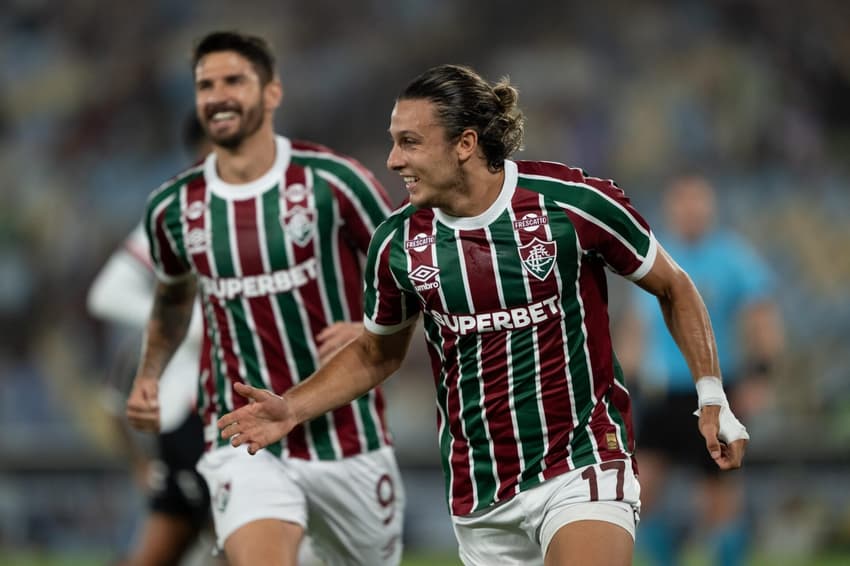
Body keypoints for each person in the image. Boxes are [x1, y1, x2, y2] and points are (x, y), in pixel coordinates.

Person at [217, 63, 751, 566]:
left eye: (410, 142)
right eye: (393, 142)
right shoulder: (398, 243)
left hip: (581, 458)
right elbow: (377, 352)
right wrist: (292, 409)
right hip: (480, 487)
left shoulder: (571, 203)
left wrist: (711, 395)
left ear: (465, 144)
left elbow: (673, 286)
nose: (393, 160)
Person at [125, 31, 404, 566]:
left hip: (347, 436)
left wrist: (373, 327)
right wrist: (149, 372)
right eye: (205, 85)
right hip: (242, 436)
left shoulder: (335, 182)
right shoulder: (172, 207)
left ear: (272, 92)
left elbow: (412, 272)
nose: (217, 96)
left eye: (234, 81)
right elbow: (173, 299)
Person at [616, 174, 783, 566]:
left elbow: (761, 318)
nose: (691, 210)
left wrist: (760, 375)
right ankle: (663, 557)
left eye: (698, 202)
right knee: (640, 491)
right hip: (661, 393)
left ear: (710, 207)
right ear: (671, 208)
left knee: (718, 494)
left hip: (715, 393)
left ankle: (726, 558)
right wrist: (622, 382)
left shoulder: (732, 257)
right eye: (683, 202)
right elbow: (636, 327)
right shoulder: (656, 256)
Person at [88, 112, 217, 566]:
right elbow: (107, 293)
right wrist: (194, 323)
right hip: (196, 414)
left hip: (230, 410)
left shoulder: (271, 210)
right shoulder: (182, 215)